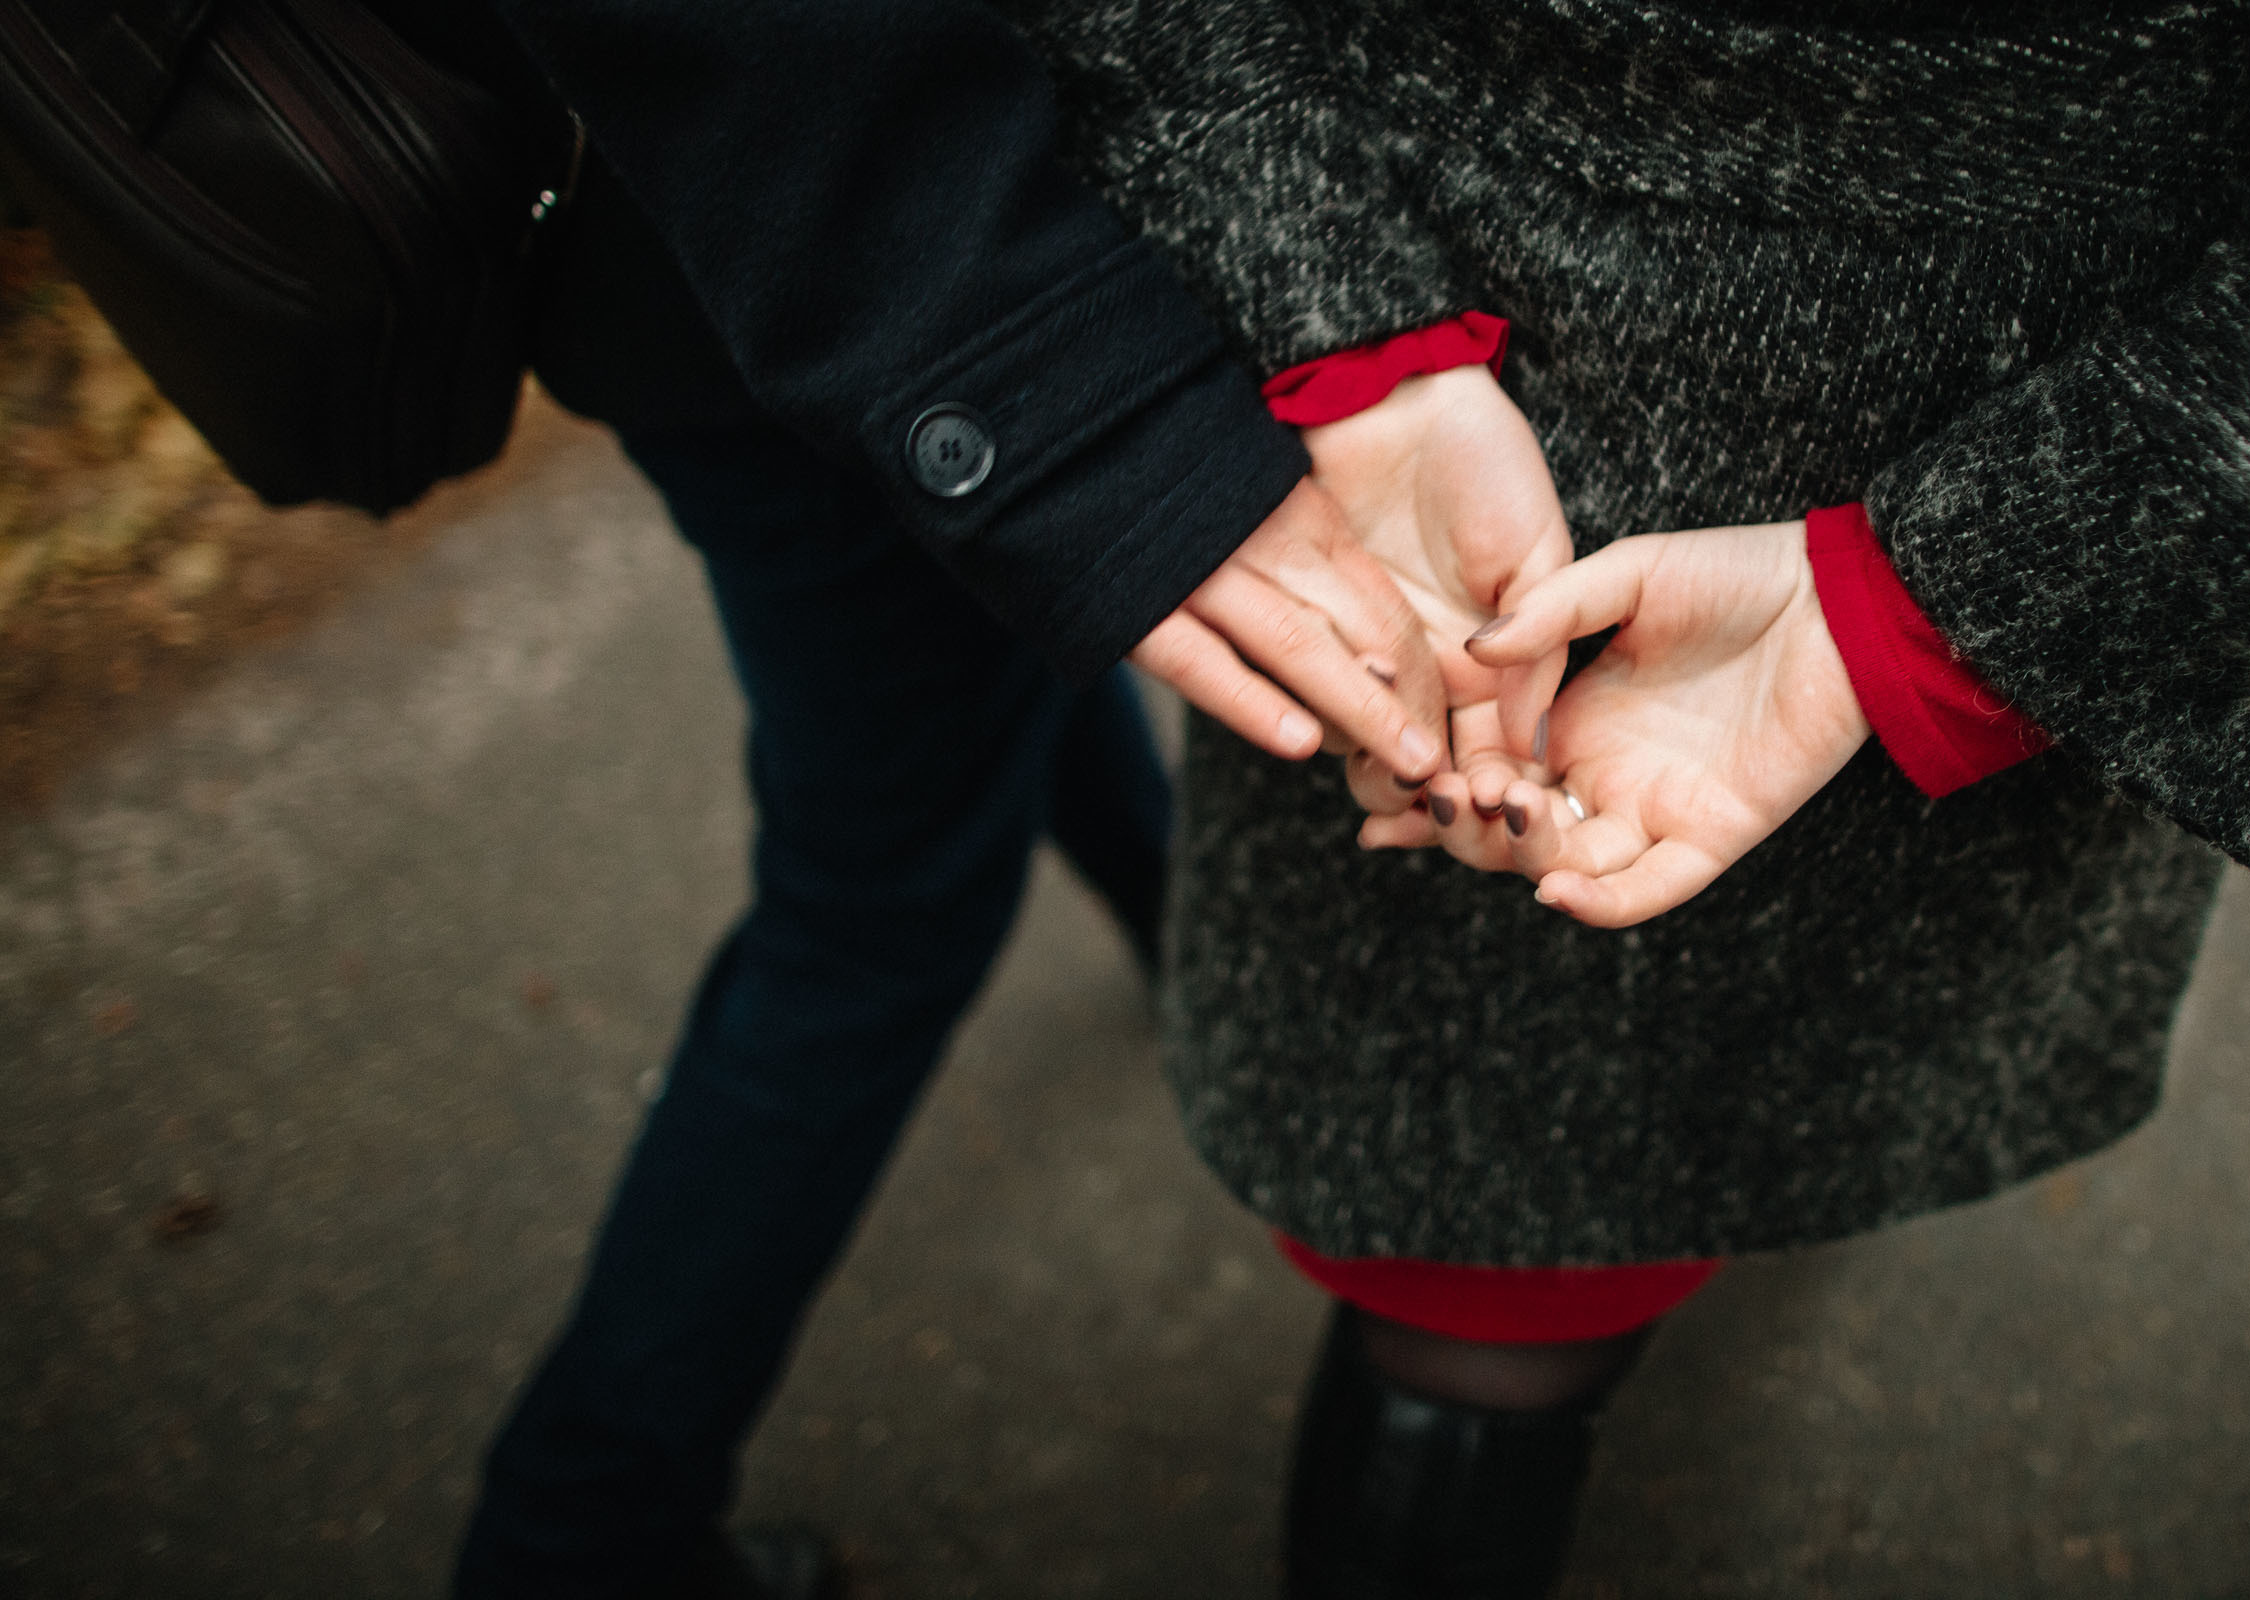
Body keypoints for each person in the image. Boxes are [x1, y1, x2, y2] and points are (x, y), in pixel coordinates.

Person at [974, 0, 2250, 1595]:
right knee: (1477, 1247)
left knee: (1587, 1172)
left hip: (2053, 420)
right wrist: (1350, 331)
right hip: (1417, 398)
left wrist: (1958, 593)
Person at [378, 3, 1465, 1597]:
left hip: (675, 253)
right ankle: (577, 1536)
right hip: (800, 257)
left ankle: (1163, 912)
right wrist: (1078, 416)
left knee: (967, 682)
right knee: (873, 912)